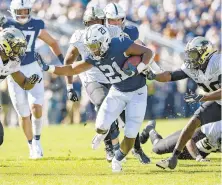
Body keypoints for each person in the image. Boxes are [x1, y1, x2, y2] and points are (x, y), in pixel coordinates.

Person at [37, 24, 154, 172]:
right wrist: (49, 68)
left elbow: (148, 52)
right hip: (117, 91)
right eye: (90, 46)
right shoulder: (93, 55)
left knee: (130, 133)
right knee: (100, 125)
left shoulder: (120, 44)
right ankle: (100, 134)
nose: (92, 49)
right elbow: (73, 68)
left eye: (94, 45)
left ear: (104, 41)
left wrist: (139, 68)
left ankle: (118, 159)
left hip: (137, 93)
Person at [0, 0, 64, 159]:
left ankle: (36, 141)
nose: (23, 14)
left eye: (25, 11)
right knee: (23, 113)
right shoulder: (6, 24)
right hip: (13, 69)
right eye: (19, 11)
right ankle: (30, 144)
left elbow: (52, 42)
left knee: (36, 107)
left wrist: (63, 63)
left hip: (30, 67)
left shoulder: (35, 25)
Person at [145, 36, 221, 169]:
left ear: (204, 53)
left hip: (215, 100)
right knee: (194, 121)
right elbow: (170, 76)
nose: (190, 58)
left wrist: (202, 98)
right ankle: (173, 156)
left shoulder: (218, 62)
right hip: (217, 103)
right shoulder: (192, 67)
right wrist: (154, 76)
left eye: (193, 54)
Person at [101, 2, 150, 164]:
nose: (115, 23)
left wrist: (144, 67)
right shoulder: (99, 32)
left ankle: (136, 148)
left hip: (124, 76)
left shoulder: (130, 31)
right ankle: (110, 147)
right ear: (105, 20)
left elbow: (141, 49)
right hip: (104, 74)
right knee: (103, 111)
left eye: (118, 20)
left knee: (130, 119)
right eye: (112, 20)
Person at [0, 27, 40, 147]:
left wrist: (30, 82)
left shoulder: (12, 62)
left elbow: (23, 84)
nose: (19, 50)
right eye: (17, 46)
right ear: (5, 45)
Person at [140, 120, 221, 161]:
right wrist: (198, 157)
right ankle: (150, 128)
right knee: (157, 148)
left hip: (199, 152)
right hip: (187, 140)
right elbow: (188, 139)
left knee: (178, 157)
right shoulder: (214, 128)